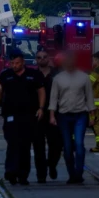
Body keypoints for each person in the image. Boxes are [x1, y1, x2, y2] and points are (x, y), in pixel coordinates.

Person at [0, 48, 45, 185]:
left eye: (17, 63)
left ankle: (23, 175)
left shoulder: (33, 75)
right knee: (12, 143)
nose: (14, 66)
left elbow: (41, 91)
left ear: (23, 62)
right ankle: (11, 171)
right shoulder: (5, 75)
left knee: (25, 146)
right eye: (12, 63)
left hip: (28, 116)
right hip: (10, 115)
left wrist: (41, 108)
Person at [48, 51, 95, 185]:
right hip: (64, 116)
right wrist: (52, 115)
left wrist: (92, 115)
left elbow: (89, 97)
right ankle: (72, 174)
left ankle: (78, 173)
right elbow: (53, 98)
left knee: (79, 144)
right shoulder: (58, 78)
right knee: (68, 147)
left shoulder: (84, 77)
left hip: (80, 115)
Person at [32, 48, 62, 183]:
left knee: (56, 144)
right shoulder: (33, 75)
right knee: (38, 146)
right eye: (39, 57)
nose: (42, 59)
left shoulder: (57, 74)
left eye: (44, 57)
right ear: (36, 60)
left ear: (49, 59)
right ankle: (41, 174)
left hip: (55, 113)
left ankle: (52, 164)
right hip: (37, 114)